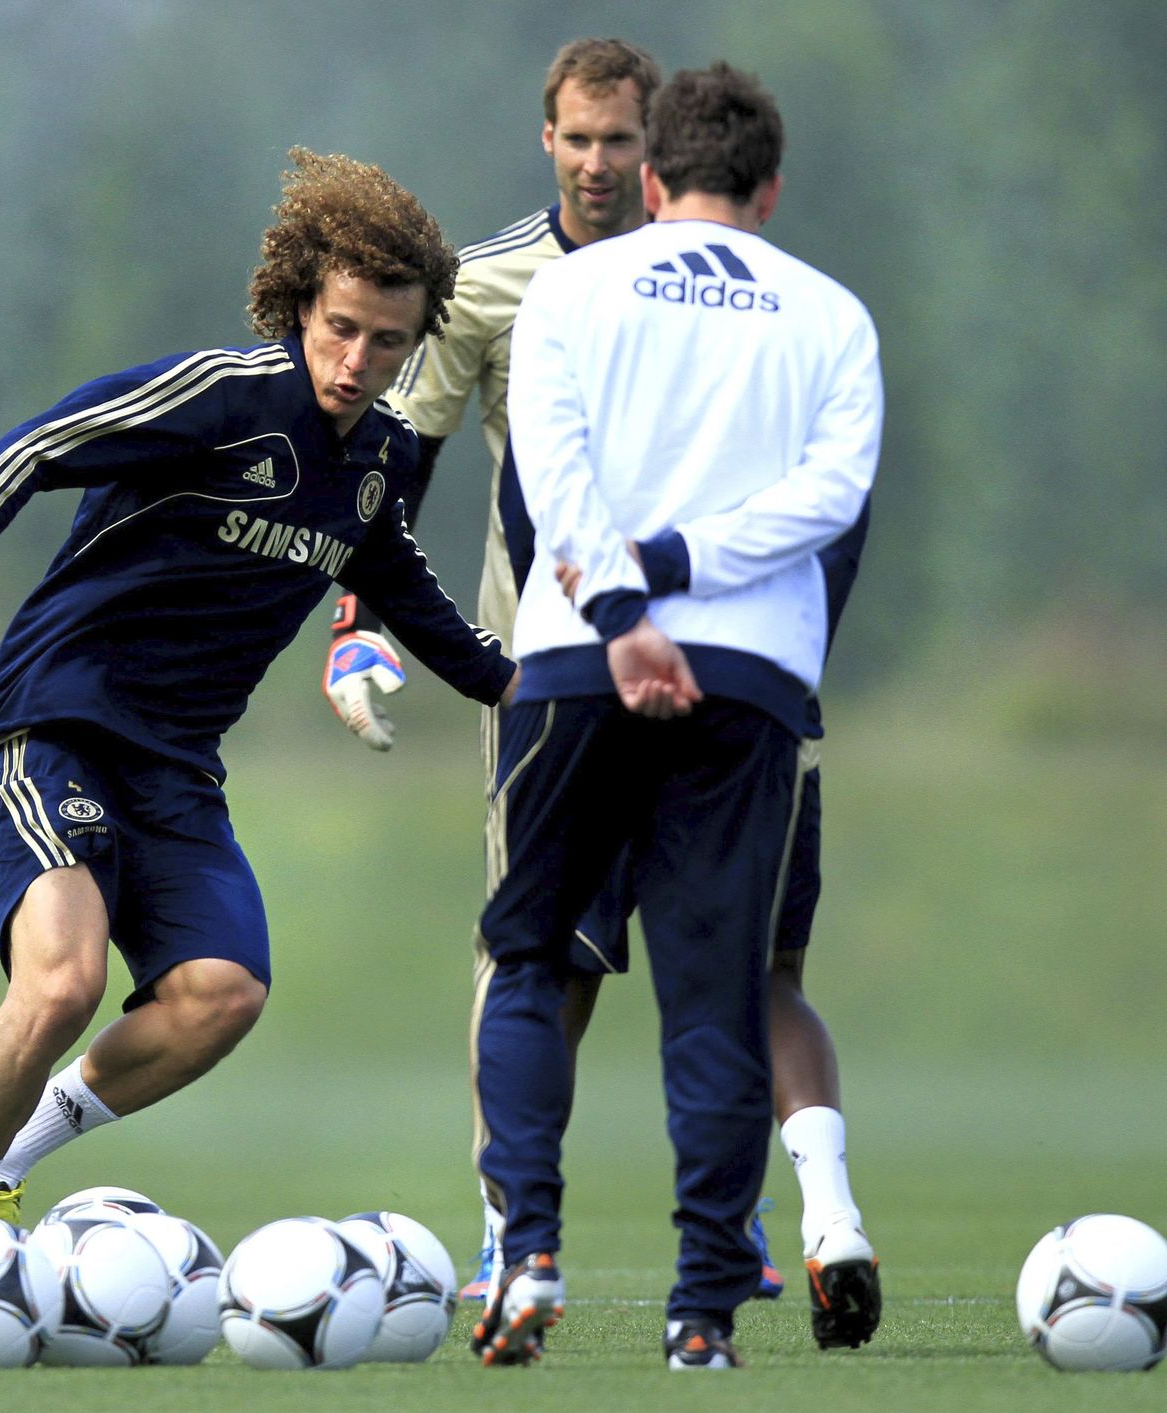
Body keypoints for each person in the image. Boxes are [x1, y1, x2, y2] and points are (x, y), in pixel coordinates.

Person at [0, 148, 517, 1227]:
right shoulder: (223, 395)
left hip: (176, 767)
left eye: (389, 341)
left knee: (221, 996)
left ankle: (9, 1167)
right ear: (301, 304)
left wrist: (540, 688)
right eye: (340, 328)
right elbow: (26, 450)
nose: (358, 360)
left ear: (417, 342)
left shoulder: (382, 462)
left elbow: (411, 596)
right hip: (58, 724)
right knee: (63, 985)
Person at [367, 38, 875, 1342]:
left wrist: (622, 609)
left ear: (653, 183)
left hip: (576, 661)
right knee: (716, 986)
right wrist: (685, 576)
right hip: (751, 675)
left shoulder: (571, 303)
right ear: (769, 190)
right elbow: (828, 503)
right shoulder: (832, 316)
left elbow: (548, 481)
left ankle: (523, 1249)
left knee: (530, 951)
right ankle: (704, 1308)